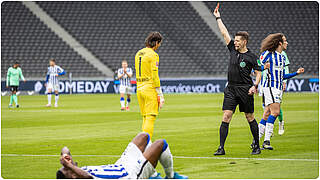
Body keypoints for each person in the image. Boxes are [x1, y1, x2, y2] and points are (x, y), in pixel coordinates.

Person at [212, 3, 262, 155]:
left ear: (244, 41)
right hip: (231, 89)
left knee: (249, 117)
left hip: (245, 89)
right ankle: (221, 148)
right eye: (235, 40)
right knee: (226, 116)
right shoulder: (232, 49)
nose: (235, 42)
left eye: (238, 40)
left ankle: (257, 146)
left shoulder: (252, 57)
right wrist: (218, 17)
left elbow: (259, 72)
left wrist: (255, 86)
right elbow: (224, 33)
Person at [56, 133, 188, 179]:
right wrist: (68, 166)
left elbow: (65, 148)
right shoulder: (83, 177)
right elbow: (86, 176)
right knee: (161, 144)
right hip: (130, 175)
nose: (70, 165)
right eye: (68, 170)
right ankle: (171, 177)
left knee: (143, 136)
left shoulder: (78, 171)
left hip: (120, 164)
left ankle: (152, 176)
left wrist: (65, 155)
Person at [258, 33, 304, 150]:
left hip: (277, 88)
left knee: (267, 114)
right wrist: (264, 68)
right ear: (279, 43)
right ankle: (266, 141)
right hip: (269, 87)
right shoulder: (267, 54)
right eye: (285, 41)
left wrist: (296, 73)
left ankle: (256, 140)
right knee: (276, 112)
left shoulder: (282, 57)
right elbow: (256, 68)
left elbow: (282, 75)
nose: (287, 43)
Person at [135, 32, 165, 139]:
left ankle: (142, 145)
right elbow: (155, 76)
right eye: (159, 43)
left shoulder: (139, 53)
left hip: (139, 88)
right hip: (149, 88)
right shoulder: (153, 55)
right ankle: (146, 145)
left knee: (145, 117)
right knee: (150, 117)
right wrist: (160, 94)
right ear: (156, 42)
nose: (159, 46)